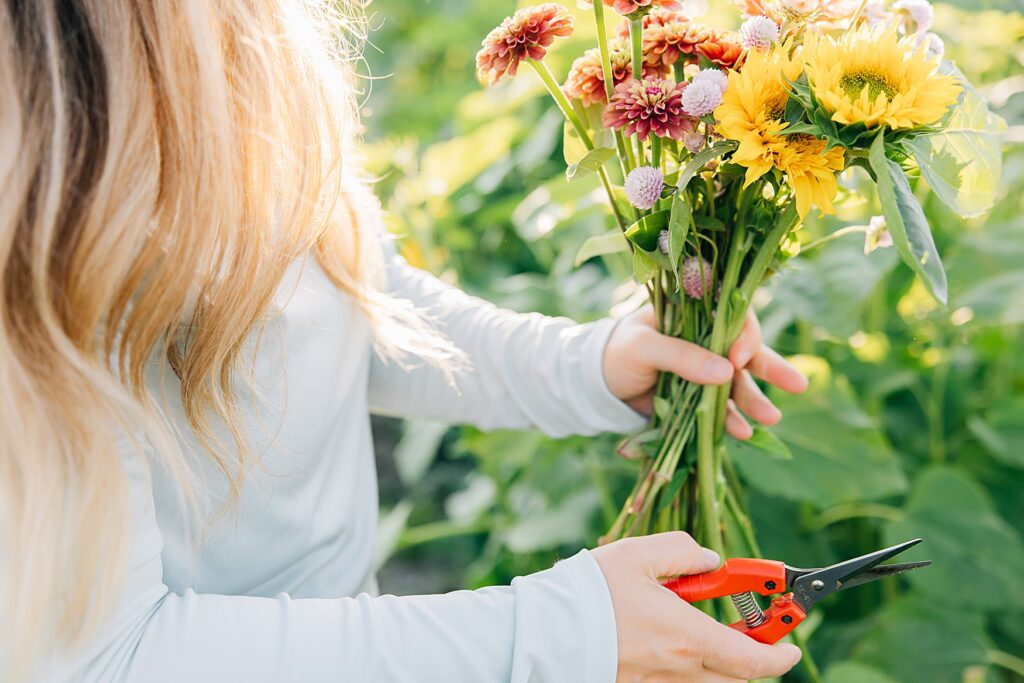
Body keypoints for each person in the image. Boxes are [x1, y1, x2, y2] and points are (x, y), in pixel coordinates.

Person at [0, 2, 808, 681]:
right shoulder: (36, 218)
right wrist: (545, 632)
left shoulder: (248, 47)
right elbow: (109, 658)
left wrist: (586, 366)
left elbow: (357, 299)